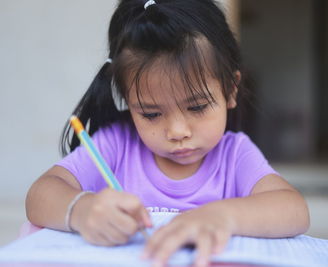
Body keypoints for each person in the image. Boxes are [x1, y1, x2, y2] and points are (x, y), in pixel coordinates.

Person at [25, 0, 310, 266]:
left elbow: (294, 209)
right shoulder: (116, 144)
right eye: (150, 113)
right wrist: (82, 210)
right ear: (127, 100)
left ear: (230, 90)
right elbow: (40, 195)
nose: (177, 131)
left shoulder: (235, 155)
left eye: (197, 107)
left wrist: (221, 216)